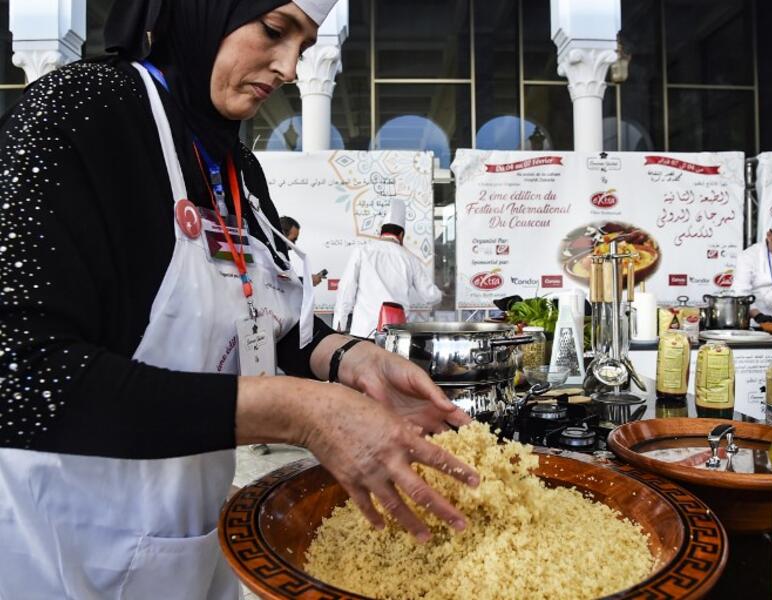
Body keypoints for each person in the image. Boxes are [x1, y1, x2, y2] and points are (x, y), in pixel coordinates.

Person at [0, 1, 479, 598]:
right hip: (65, 551)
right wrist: (302, 414)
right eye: (274, 31)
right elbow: (23, 378)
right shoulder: (80, 113)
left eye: (303, 48)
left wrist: (350, 358)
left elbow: (265, 323)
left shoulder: (235, 165)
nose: (287, 68)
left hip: (194, 539)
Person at [333, 197, 443, 337]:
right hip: (396, 336)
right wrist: (441, 294)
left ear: (381, 233)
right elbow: (431, 296)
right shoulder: (410, 258)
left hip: (364, 332)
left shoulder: (362, 251)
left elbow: (346, 288)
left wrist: (339, 324)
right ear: (401, 235)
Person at [280, 214, 325, 286]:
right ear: (282, 234)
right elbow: (279, 278)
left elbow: (283, 277)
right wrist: (307, 281)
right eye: (293, 240)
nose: (293, 245)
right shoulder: (269, 253)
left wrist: (307, 280)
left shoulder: (280, 255)